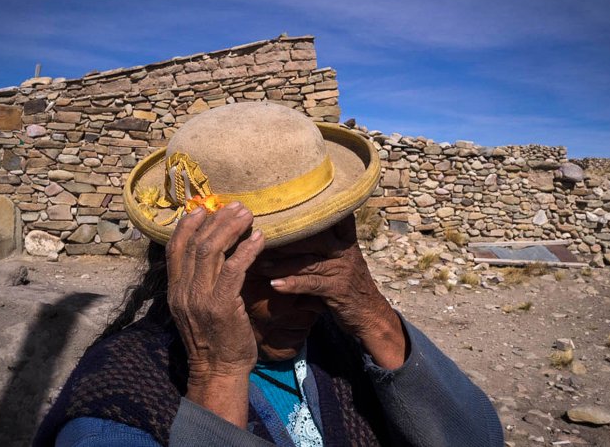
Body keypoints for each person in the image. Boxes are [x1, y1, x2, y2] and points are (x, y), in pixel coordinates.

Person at [35, 102, 503, 446]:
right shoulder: (116, 408)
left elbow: (478, 439)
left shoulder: (343, 335)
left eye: (322, 267)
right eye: (275, 270)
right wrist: (217, 373)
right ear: (194, 268)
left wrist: (372, 311)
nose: (310, 298)